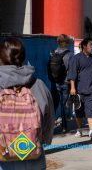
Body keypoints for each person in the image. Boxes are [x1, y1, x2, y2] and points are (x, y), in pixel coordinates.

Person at [0, 37, 54, 170]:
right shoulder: (39, 85)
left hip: (3, 156)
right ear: (23, 58)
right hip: (34, 157)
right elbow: (49, 121)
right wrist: (42, 140)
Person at [67, 38, 92, 140]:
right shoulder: (75, 58)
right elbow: (72, 74)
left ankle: (91, 131)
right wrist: (72, 87)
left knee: (90, 110)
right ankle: (79, 129)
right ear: (84, 46)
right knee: (79, 111)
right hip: (79, 90)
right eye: (90, 45)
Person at [48, 34, 73, 132]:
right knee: (64, 104)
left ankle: (49, 125)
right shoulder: (70, 54)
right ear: (66, 43)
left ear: (58, 42)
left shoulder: (53, 53)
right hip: (65, 82)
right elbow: (71, 69)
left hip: (54, 82)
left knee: (53, 104)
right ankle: (64, 126)